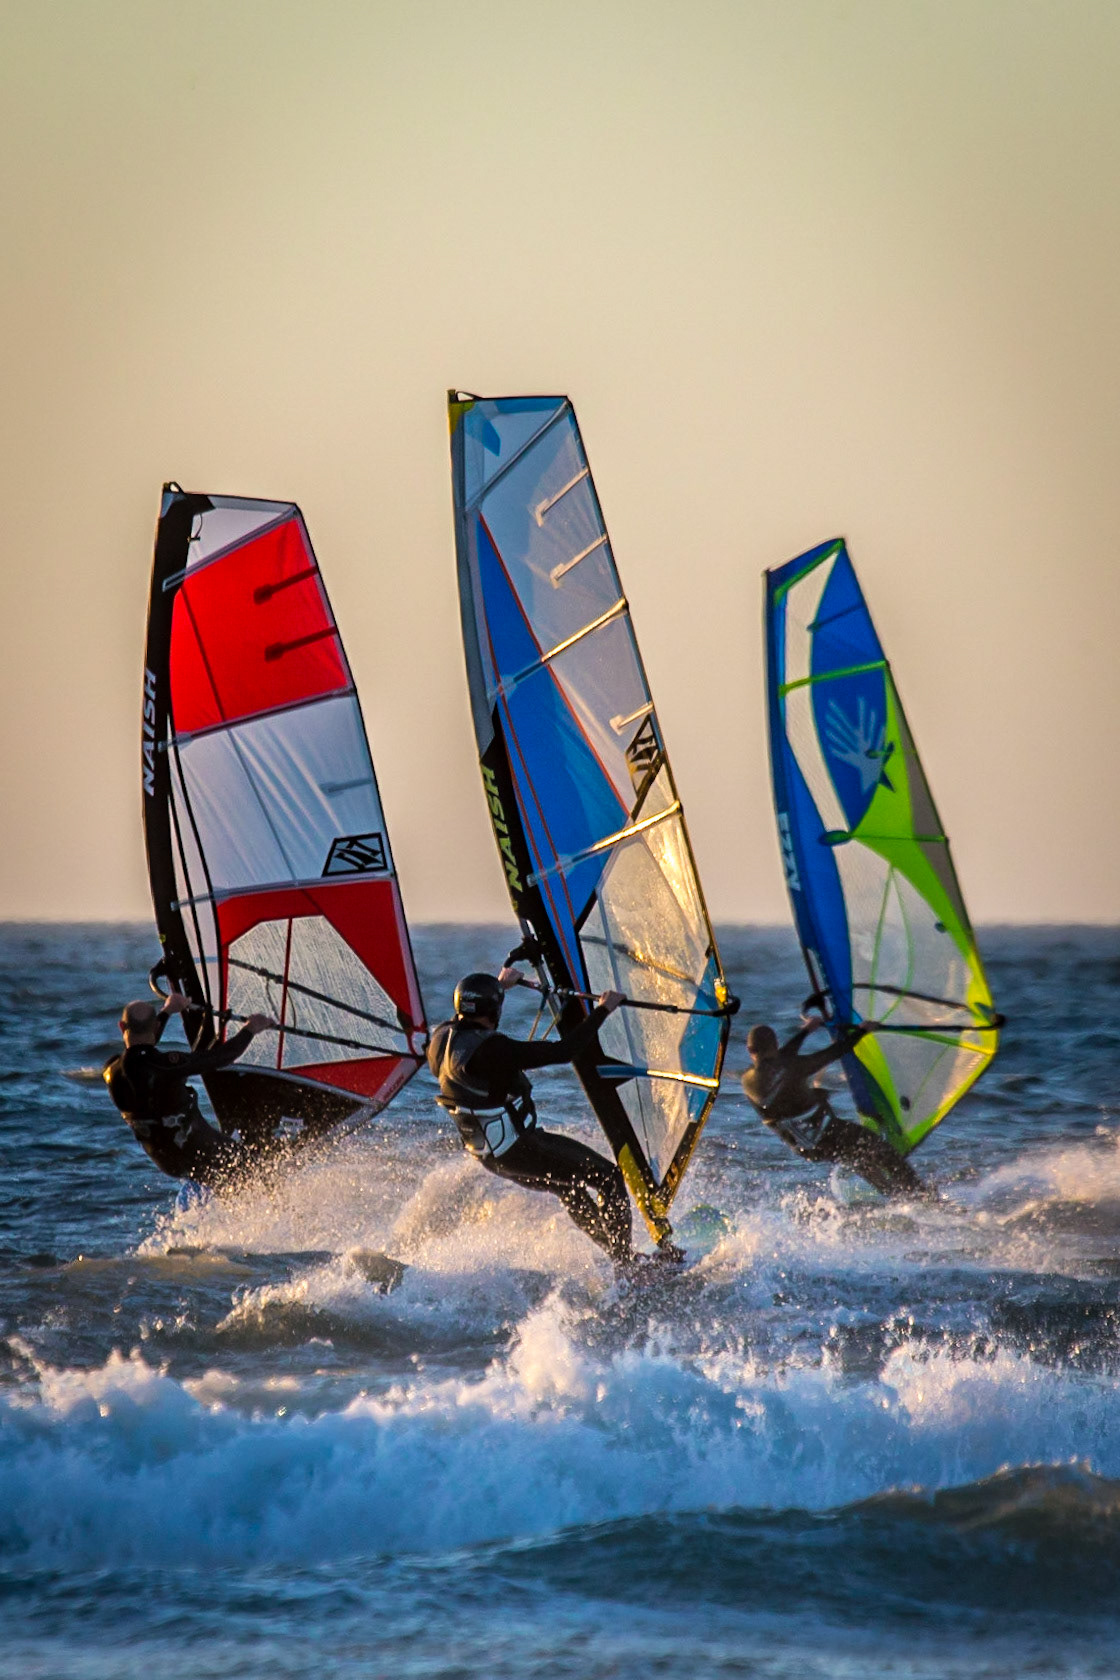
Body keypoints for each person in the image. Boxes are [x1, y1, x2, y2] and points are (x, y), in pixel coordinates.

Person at [428, 966, 659, 1265]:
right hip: (520, 1148)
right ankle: (626, 1265)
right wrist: (604, 1009)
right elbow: (565, 1051)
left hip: (491, 1156)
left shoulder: (440, 1038)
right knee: (608, 1176)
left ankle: (621, 1258)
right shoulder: (494, 1049)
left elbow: (470, 1018)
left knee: (569, 1188)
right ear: (493, 1010)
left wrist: (499, 988)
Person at [103, 993, 277, 1189]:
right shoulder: (167, 1066)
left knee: (227, 1181)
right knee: (260, 1167)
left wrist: (167, 1011)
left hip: (165, 1161)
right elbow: (221, 1057)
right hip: (199, 1150)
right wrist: (251, 1029)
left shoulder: (111, 1070)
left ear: (121, 1027)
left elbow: (139, 1049)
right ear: (154, 1027)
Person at [741, 1015, 926, 1197]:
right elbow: (831, 1053)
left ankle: (896, 1197)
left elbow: (778, 1061)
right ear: (775, 1045)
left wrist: (806, 1031)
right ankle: (921, 1195)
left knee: (858, 1158)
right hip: (827, 1132)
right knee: (878, 1149)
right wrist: (861, 1032)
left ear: (750, 1050)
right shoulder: (792, 1067)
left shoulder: (748, 1080)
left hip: (805, 1147)